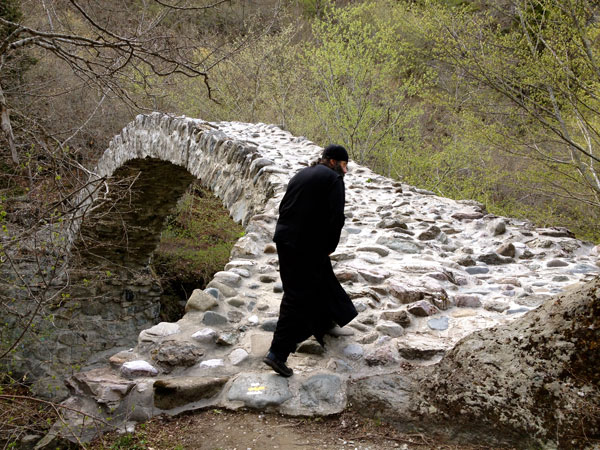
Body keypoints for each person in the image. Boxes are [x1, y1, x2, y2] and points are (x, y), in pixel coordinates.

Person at [263, 144, 358, 377]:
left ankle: (326, 322)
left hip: (285, 239)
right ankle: (278, 353)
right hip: (307, 245)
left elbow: (284, 206)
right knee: (296, 296)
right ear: (334, 162)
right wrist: (329, 247)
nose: (345, 171)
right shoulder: (333, 179)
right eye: (344, 165)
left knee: (322, 279)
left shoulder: (302, 173)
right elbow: (336, 218)